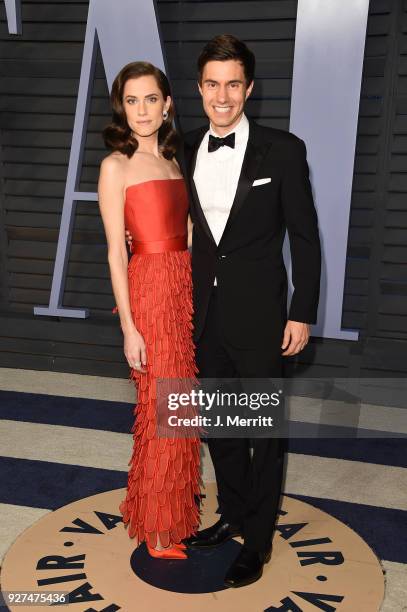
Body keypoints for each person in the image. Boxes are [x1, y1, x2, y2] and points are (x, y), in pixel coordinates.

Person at [126, 34, 321, 587]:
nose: (223, 95)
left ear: (249, 89)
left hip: (263, 318)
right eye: (212, 83)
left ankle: (257, 543)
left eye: (233, 83)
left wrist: (300, 311)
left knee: (263, 432)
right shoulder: (181, 148)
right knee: (221, 427)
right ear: (198, 89)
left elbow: (305, 238)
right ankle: (234, 514)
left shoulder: (283, 149)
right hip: (200, 316)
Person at [98, 61, 201, 560]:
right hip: (148, 293)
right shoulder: (114, 165)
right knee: (163, 408)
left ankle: (158, 510)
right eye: (132, 100)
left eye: (151, 99)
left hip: (182, 289)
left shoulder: (174, 160)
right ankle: (159, 528)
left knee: (175, 409)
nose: (142, 110)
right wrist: (130, 328)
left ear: (167, 105)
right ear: (123, 106)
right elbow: (116, 252)